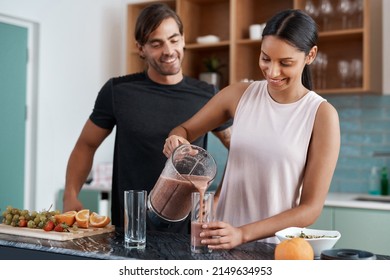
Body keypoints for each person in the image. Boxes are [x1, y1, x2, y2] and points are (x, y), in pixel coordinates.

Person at [163, 9, 340, 249]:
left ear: (311, 55)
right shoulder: (239, 95)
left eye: (285, 63)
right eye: (265, 58)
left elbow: (310, 209)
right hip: (219, 239)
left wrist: (242, 234)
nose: (272, 72)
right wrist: (176, 140)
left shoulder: (321, 115)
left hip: (275, 248)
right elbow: (184, 129)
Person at [63, 3, 232, 233]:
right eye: (156, 43)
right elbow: (86, 146)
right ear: (140, 48)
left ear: (183, 39)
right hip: (131, 229)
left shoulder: (208, 95)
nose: (168, 50)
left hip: (188, 234)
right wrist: (70, 195)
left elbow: (238, 149)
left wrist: (217, 199)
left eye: (174, 40)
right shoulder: (117, 91)